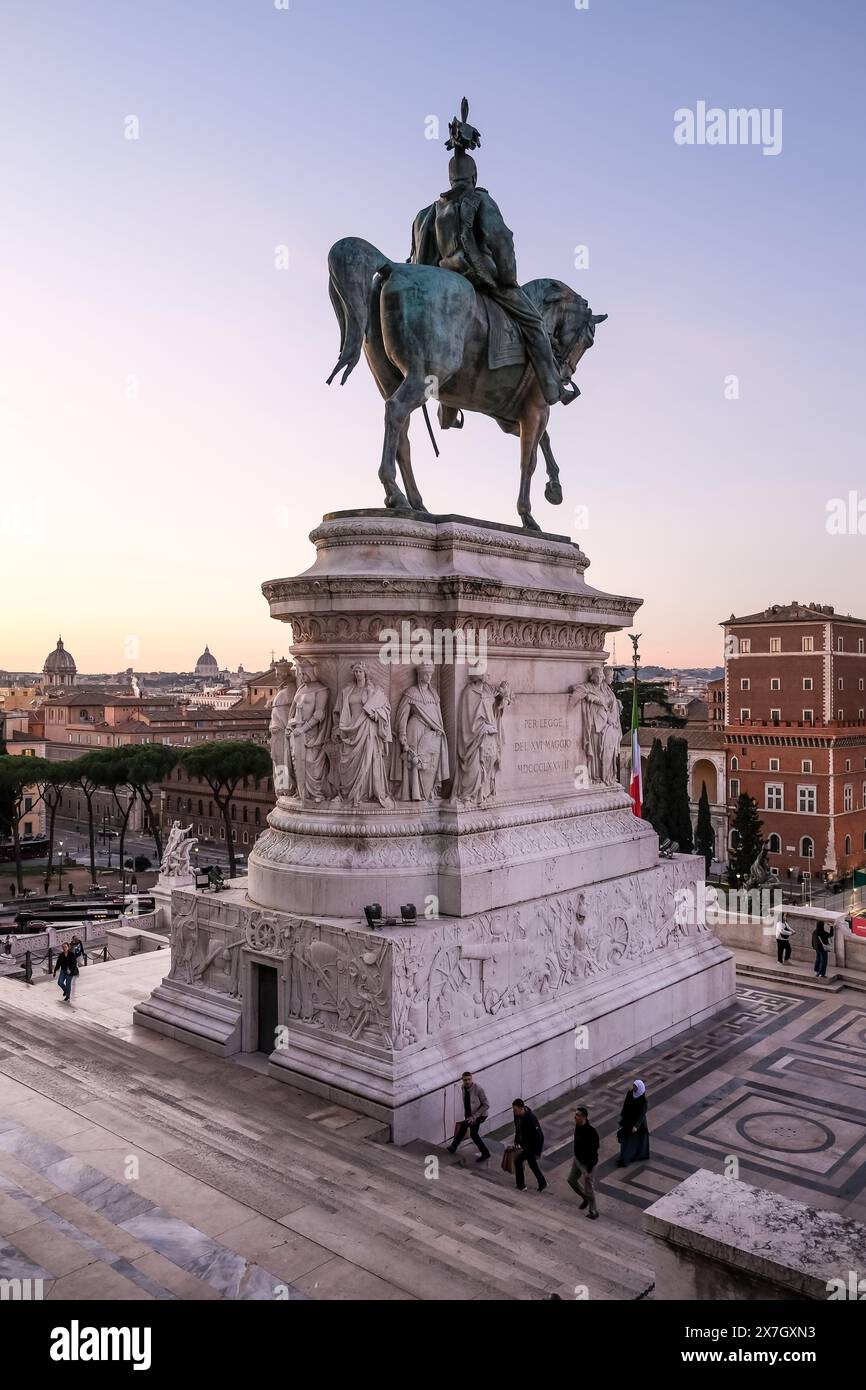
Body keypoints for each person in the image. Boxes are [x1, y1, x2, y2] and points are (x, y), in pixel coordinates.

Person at [446, 1071, 491, 1162]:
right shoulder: (463, 1088)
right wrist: (468, 1115)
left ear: (472, 1079)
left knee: (465, 1127)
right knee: (472, 1133)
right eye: (465, 1080)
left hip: (480, 1115)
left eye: (469, 1079)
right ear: (462, 1080)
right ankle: (454, 1146)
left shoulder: (478, 1089)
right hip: (470, 1115)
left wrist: (474, 1117)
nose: (467, 1082)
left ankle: (454, 1146)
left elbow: (486, 1105)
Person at [567, 1106, 599, 1219]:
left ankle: (593, 1211)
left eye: (577, 1115)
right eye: (575, 1115)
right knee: (571, 1180)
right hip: (578, 1160)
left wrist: (588, 1171)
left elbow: (593, 1153)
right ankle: (585, 1197)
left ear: (584, 1117)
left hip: (588, 1164)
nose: (575, 1117)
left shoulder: (591, 1133)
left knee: (589, 1188)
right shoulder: (578, 1126)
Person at [511, 1099, 546, 1193]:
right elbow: (517, 1128)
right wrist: (516, 1140)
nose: (514, 1112)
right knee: (532, 1163)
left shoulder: (531, 1119)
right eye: (513, 1109)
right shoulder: (517, 1115)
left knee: (518, 1161)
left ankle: (521, 1185)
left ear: (521, 1108)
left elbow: (540, 1136)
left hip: (531, 1145)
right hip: (525, 1143)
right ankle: (542, 1182)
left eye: (515, 1109)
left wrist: (538, 1152)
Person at [617, 1080, 650, 1166]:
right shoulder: (630, 1094)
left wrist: (636, 1126)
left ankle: (629, 1157)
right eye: (634, 1086)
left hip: (637, 1125)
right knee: (626, 1141)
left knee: (635, 1141)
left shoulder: (643, 1101)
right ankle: (624, 1158)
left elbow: (642, 1115)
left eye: (635, 1086)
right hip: (628, 1121)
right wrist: (622, 1119)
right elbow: (626, 1106)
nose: (633, 1088)